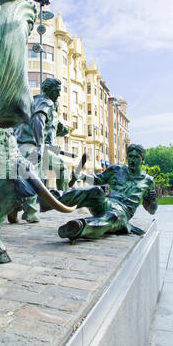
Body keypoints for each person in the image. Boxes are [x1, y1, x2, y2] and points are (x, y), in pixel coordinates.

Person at [54, 143, 158, 241]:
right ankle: (55, 198)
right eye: (130, 156)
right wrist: (82, 176)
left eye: (136, 157)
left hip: (122, 213)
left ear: (142, 159)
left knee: (112, 216)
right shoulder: (116, 169)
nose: (132, 160)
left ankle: (79, 227)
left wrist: (153, 201)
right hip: (106, 203)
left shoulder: (148, 181)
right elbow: (98, 180)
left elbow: (151, 210)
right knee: (96, 191)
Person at [14, 77, 66, 222]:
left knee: (21, 175)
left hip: (18, 144)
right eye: (57, 91)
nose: (59, 94)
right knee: (37, 174)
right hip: (31, 145)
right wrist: (40, 144)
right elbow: (38, 120)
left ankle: (15, 208)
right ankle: (33, 211)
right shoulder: (46, 102)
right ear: (49, 90)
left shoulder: (33, 101)